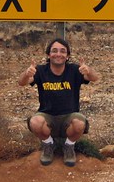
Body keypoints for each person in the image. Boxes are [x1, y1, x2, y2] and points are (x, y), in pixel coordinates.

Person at [18, 38, 99, 167]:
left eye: (62, 51)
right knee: (35, 122)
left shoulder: (74, 70)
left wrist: (88, 71)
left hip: (69, 117)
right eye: (54, 51)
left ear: (67, 56)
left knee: (79, 123)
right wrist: (27, 74)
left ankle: (69, 146)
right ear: (49, 55)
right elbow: (21, 82)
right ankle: (48, 143)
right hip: (48, 116)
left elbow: (94, 78)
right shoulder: (40, 70)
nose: (58, 54)